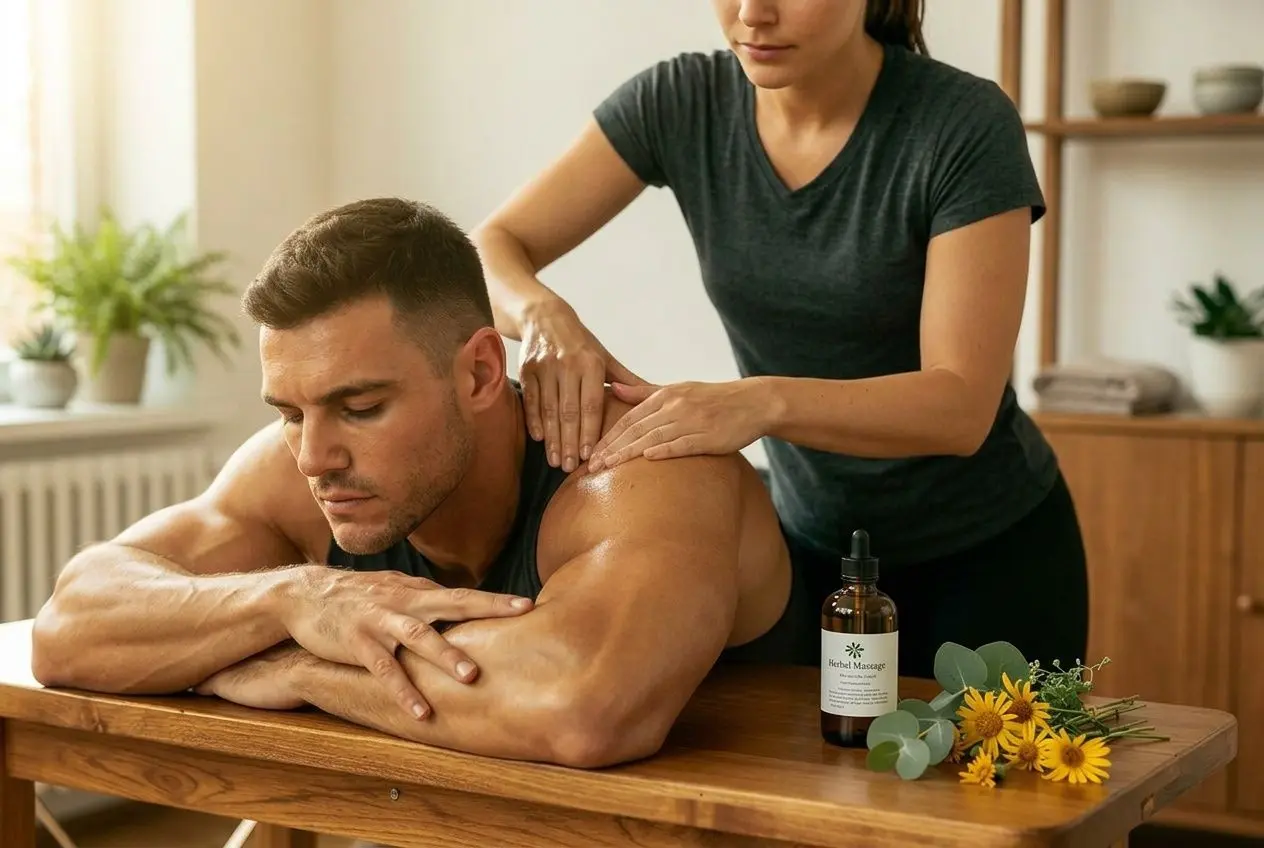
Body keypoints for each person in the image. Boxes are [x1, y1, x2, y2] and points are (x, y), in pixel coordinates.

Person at [30, 197, 813, 769]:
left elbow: (582, 708)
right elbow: (71, 624)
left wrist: (294, 667)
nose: (314, 457)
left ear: (480, 372)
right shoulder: (296, 465)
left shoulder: (643, 466)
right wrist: (295, 599)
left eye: (360, 407)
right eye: (291, 412)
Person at [470, 0, 1089, 678]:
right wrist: (543, 317)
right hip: (812, 556)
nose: (752, 13)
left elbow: (961, 407)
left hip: (988, 561)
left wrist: (758, 403)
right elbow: (491, 246)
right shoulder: (681, 101)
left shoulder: (962, 123)